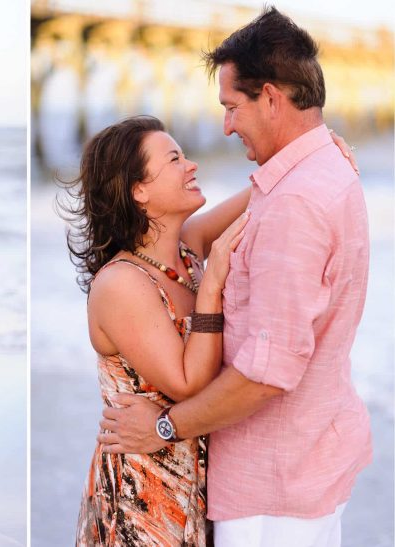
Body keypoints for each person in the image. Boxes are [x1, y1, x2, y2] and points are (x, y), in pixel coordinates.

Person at [97, 8, 371, 546]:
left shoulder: (293, 204)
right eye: (174, 159)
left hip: (270, 486)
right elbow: (240, 207)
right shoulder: (306, 184)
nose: (223, 127)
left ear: (270, 97)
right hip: (238, 477)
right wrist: (311, 148)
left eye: (231, 107)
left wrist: (161, 428)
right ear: (138, 192)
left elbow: (266, 373)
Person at [62, 115, 249, 546]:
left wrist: (314, 153)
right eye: (174, 159)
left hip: (193, 483)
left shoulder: (188, 249)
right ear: (138, 191)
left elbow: (261, 195)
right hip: (141, 499)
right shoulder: (121, 283)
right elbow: (188, 383)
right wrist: (213, 284)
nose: (192, 166)